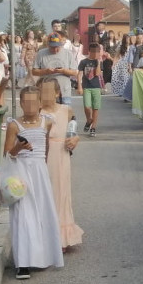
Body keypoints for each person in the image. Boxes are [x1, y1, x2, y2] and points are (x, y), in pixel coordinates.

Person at [3, 86, 64, 279]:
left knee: (43, 212)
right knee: (23, 215)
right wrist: (18, 149)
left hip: (39, 172)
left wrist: (43, 170)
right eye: (25, 102)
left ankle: (44, 255)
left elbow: (45, 148)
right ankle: (23, 263)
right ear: (20, 103)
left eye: (33, 102)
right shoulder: (14, 125)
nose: (29, 106)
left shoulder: (47, 122)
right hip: (20, 172)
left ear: (39, 103)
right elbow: (7, 154)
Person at [38, 78, 83, 250]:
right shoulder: (37, 112)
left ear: (57, 93)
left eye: (50, 91)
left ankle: (61, 236)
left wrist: (75, 138)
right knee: (44, 194)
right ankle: (44, 235)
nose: (46, 95)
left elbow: (73, 129)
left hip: (61, 155)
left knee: (60, 193)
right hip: (41, 156)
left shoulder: (66, 110)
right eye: (42, 91)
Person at [32, 33, 76, 103]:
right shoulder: (41, 53)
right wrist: (46, 71)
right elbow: (34, 71)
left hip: (64, 91)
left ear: (61, 44)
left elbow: (74, 72)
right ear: (48, 45)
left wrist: (63, 71)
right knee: (48, 113)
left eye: (57, 47)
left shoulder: (68, 53)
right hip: (47, 92)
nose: (55, 50)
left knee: (64, 112)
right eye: (52, 47)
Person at [77, 43, 105, 137]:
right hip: (86, 87)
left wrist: (97, 62)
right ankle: (89, 120)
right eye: (94, 52)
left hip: (96, 87)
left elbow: (97, 74)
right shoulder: (83, 62)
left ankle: (93, 127)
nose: (95, 53)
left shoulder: (99, 62)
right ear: (89, 52)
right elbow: (80, 74)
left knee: (95, 108)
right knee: (87, 106)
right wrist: (79, 86)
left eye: (97, 52)